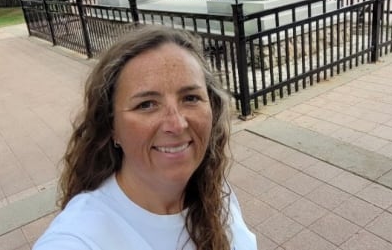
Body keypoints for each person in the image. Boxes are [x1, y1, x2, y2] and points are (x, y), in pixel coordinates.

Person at [33, 25, 257, 250]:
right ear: (112, 126)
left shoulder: (215, 192)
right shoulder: (81, 236)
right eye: (146, 104)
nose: (177, 124)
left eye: (190, 98)